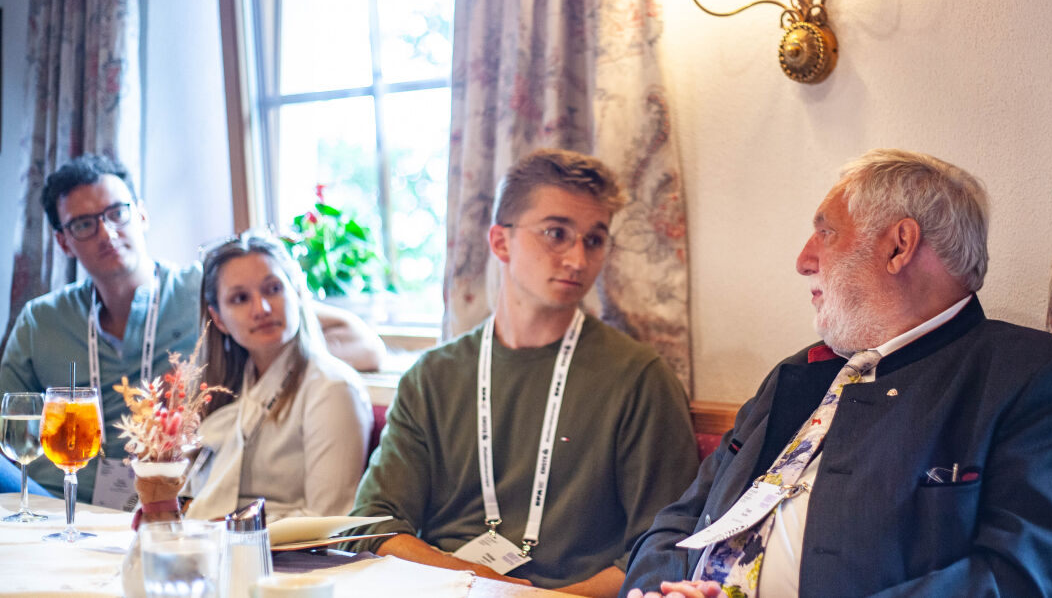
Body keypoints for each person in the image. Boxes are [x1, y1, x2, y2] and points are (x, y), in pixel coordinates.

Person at [623, 149, 1052, 598]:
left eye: (825, 233)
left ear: (899, 246)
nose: (802, 260)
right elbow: (679, 521)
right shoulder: (796, 374)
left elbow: (1023, 577)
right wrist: (656, 591)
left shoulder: (1035, 377)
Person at [343, 149, 699, 598]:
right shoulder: (432, 376)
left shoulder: (639, 378)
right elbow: (372, 524)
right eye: (556, 233)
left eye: (594, 240)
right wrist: (467, 579)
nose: (577, 258)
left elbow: (661, 548)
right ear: (500, 241)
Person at [0, 154, 385, 502]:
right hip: (58, 494)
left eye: (117, 212)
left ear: (143, 215)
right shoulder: (41, 320)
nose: (107, 232)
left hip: (171, 487)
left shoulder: (209, 290)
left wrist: (270, 359)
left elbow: (357, 343)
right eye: (84, 224)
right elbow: (8, 423)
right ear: (63, 242)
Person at [183, 231, 372, 521]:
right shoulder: (226, 388)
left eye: (273, 289)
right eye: (240, 298)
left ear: (296, 291)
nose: (262, 309)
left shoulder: (331, 388)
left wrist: (231, 527)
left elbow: (327, 520)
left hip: (290, 560)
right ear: (218, 318)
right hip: (216, 547)